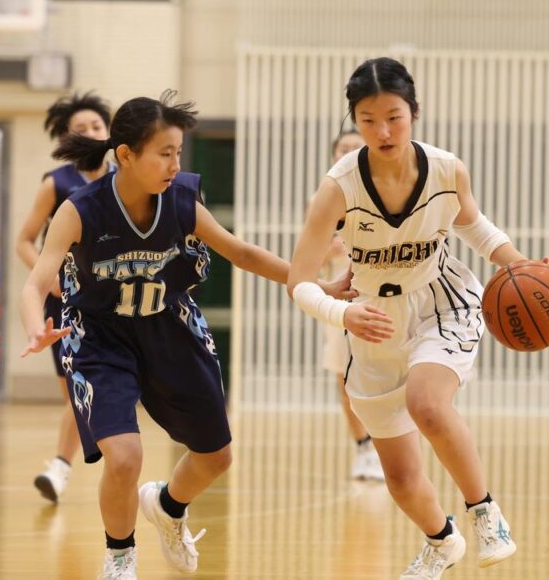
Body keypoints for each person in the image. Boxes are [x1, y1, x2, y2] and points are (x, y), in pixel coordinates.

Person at [20, 91, 353, 579]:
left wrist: (314, 284)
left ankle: (169, 506)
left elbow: (243, 253)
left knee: (217, 456)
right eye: (164, 153)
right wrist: (36, 328)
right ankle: (119, 559)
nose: (176, 164)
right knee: (124, 457)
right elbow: (35, 283)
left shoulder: (181, 200)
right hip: (99, 337)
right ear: (126, 155)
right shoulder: (80, 209)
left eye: (178, 152)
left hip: (169, 328)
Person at [288, 58, 549, 579]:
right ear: (354, 120)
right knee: (400, 477)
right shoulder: (337, 189)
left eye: (394, 117)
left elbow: (476, 228)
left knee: (428, 406)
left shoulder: (446, 169)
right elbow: (299, 281)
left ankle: (485, 512)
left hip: (442, 302)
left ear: (414, 112)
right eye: (368, 120)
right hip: (373, 319)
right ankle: (442, 542)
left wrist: (523, 266)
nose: (383, 131)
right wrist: (343, 312)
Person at [15, 91, 113, 503]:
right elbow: (24, 240)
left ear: (109, 131)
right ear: (67, 139)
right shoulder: (56, 183)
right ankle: (62, 467)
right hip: (68, 304)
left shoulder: (126, 178)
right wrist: (48, 274)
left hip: (115, 300)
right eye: (80, 129)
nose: (90, 133)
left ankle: (69, 465)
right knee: (77, 391)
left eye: (96, 126)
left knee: (98, 389)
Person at [322, 130, 384, 481]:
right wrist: (327, 251)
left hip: (384, 296)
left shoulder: (386, 192)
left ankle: (386, 446)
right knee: (345, 377)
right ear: (334, 157)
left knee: (389, 376)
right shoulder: (323, 199)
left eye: (355, 148)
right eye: (342, 149)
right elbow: (306, 263)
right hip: (341, 300)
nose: (348, 153)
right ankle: (363, 448)